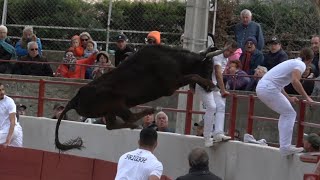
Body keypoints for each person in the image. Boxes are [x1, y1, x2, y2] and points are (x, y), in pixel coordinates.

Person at [256, 48, 314, 156]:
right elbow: (295, 81)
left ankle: (284, 146)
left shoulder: (291, 62)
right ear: (310, 60)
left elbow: (279, 84)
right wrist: (307, 97)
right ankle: (285, 147)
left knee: (286, 113)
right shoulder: (300, 64)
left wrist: (288, 98)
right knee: (289, 114)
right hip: (268, 88)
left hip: (263, 87)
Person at [196, 40, 238, 147]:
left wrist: (219, 89)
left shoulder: (226, 58)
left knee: (221, 105)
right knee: (212, 106)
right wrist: (223, 90)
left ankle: (218, 133)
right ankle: (207, 137)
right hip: (203, 85)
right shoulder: (218, 55)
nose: (229, 53)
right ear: (224, 46)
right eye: (228, 50)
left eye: (231, 52)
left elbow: (218, 76)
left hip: (212, 86)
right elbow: (218, 74)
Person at [0, 83, 23, 147]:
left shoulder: (9, 101)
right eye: (0, 90)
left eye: (3, 89)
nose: (2, 92)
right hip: (3, 131)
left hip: (13, 130)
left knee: (18, 153)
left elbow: (12, 122)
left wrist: (8, 139)